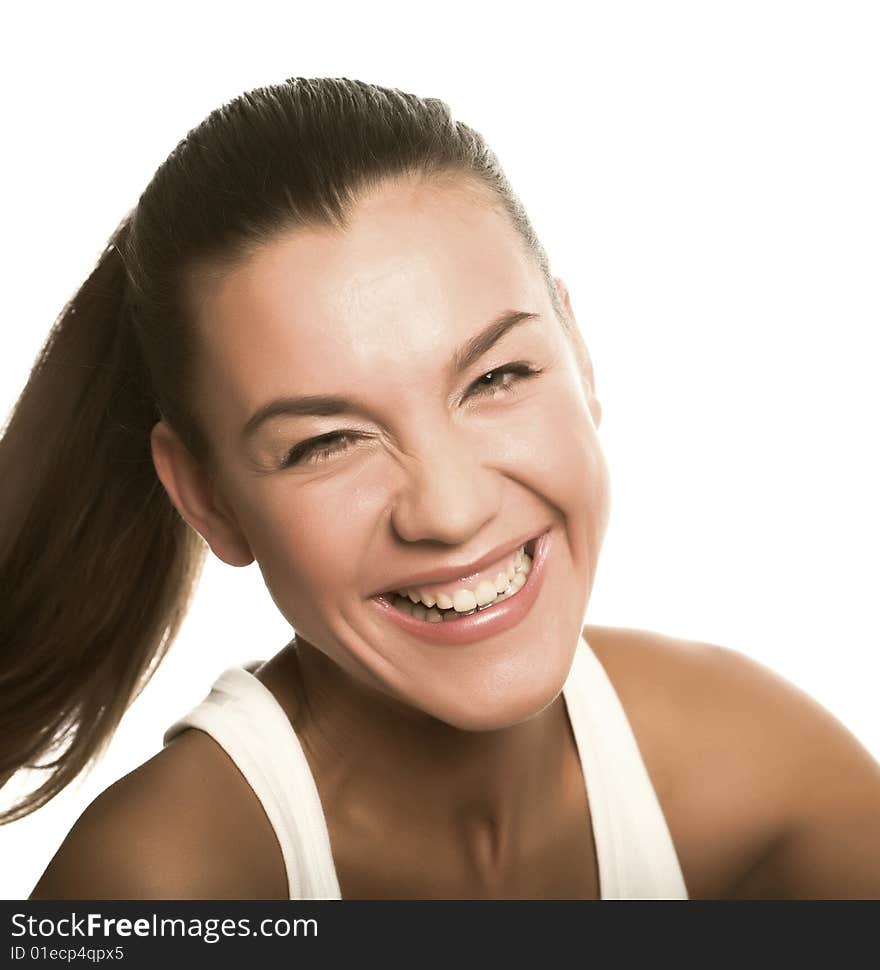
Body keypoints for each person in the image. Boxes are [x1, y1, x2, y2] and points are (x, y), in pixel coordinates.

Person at [3, 76, 878, 900]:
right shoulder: (155, 889)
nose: (452, 512)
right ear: (208, 501)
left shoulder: (761, 779)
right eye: (328, 442)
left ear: (576, 352)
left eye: (496, 379)